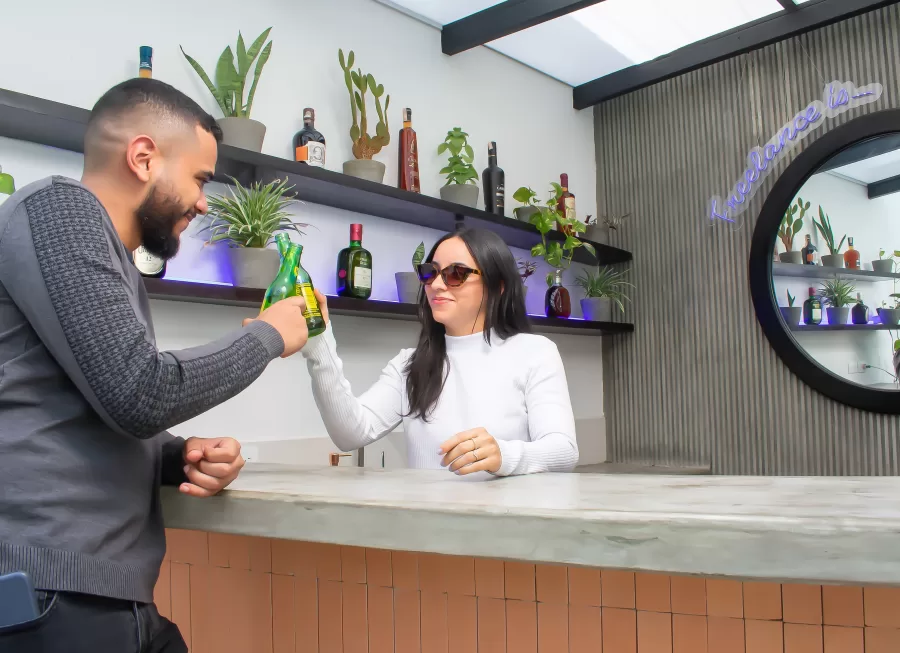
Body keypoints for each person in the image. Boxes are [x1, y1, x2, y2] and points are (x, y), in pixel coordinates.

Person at [0, 78, 311, 651]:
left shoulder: (109, 258)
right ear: (143, 157)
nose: (202, 202)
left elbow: (97, 406)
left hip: (99, 595)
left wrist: (178, 457)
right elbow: (139, 391)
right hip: (50, 595)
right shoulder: (58, 209)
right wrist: (268, 336)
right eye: (199, 179)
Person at [301, 227, 579, 476]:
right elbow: (350, 433)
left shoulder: (534, 353)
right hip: (426, 529)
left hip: (508, 527)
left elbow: (563, 450)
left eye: (456, 274)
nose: (436, 284)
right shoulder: (409, 364)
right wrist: (318, 342)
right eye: (429, 272)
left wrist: (504, 455)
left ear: (498, 288)